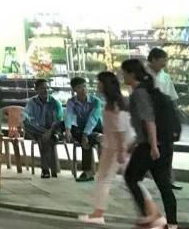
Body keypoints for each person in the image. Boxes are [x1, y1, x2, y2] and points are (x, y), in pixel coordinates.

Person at [121, 58, 176, 229]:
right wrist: (135, 142)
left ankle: (148, 217)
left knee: (130, 177)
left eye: (123, 74)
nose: (122, 77)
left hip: (152, 146)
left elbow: (149, 120)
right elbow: (143, 125)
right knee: (163, 184)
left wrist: (152, 146)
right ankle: (172, 224)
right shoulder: (149, 90)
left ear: (131, 74)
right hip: (163, 144)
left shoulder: (139, 93)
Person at [79, 71, 130, 225]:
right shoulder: (111, 102)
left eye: (99, 82)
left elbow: (120, 128)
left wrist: (121, 149)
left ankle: (98, 214)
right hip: (111, 145)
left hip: (114, 147)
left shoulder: (114, 104)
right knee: (115, 179)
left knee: (104, 179)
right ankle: (98, 213)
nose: (97, 85)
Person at [148, 48, 181, 191]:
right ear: (154, 59)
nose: (165, 63)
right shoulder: (142, 76)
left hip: (164, 119)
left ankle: (167, 179)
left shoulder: (165, 77)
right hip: (148, 117)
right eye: (163, 60)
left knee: (167, 148)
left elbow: (172, 98)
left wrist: (175, 115)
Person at [23, 78, 65, 178]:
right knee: (27, 124)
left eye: (47, 88)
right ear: (36, 90)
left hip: (53, 130)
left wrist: (49, 132)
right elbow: (25, 115)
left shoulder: (55, 103)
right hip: (38, 130)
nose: (45, 90)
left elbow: (57, 121)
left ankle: (45, 170)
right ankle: (50, 170)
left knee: (45, 140)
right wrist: (22, 119)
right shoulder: (32, 102)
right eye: (42, 88)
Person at [65, 76, 103, 182]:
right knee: (77, 133)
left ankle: (87, 172)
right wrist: (67, 129)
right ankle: (96, 137)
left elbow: (93, 119)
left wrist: (85, 135)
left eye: (85, 86)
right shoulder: (71, 101)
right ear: (74, 90)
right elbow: (69, 115)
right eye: (79, 87)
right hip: (83, 130)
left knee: (85, 140)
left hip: (96, 127)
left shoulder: (96, 101)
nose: (83, 89)